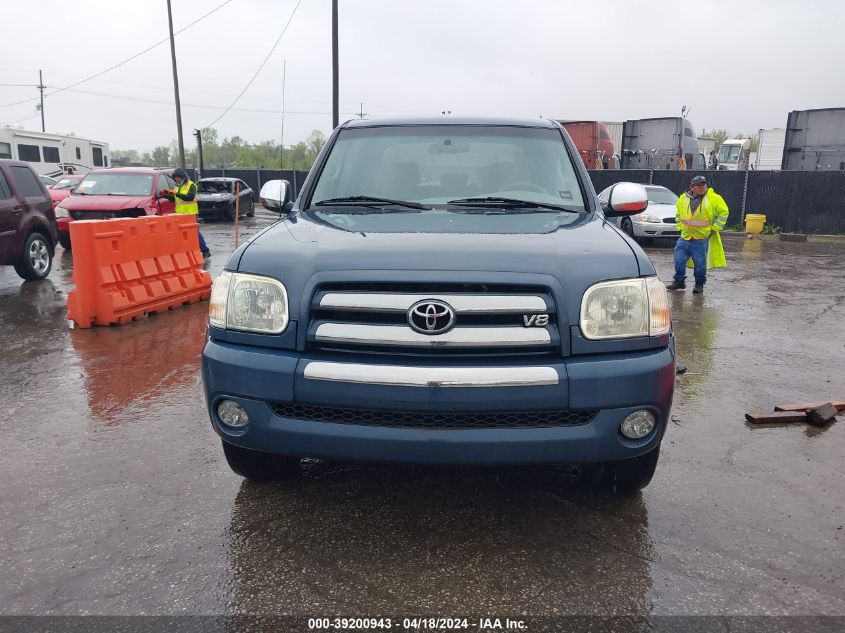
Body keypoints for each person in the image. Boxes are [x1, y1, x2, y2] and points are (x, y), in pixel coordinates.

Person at [666, 175, 727, 294]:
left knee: (700, 264)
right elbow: (678, 213)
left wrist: (714, 229)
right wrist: (680, 227)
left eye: (703, 184)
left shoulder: (714, 198)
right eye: (698, 185)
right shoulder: (683, 198)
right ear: (692, 187)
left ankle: (699, 284)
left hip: (701, 239)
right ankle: (679, 281)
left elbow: (724, 212)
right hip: (685, 237)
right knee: (679, 260)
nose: (702, 187)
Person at [161, 168, 210, 257]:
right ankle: (185, 251)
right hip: (179, 214)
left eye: (177, 177)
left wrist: (175, 193)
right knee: (180, 234)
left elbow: (189, 197)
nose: (176, 179)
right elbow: (176, 200)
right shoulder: (177, 187)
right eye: (175, 178)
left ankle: (205, 251)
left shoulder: (191, 185)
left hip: (190, 213)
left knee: (195, 233)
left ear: (182, 177)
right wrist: (167, 195)